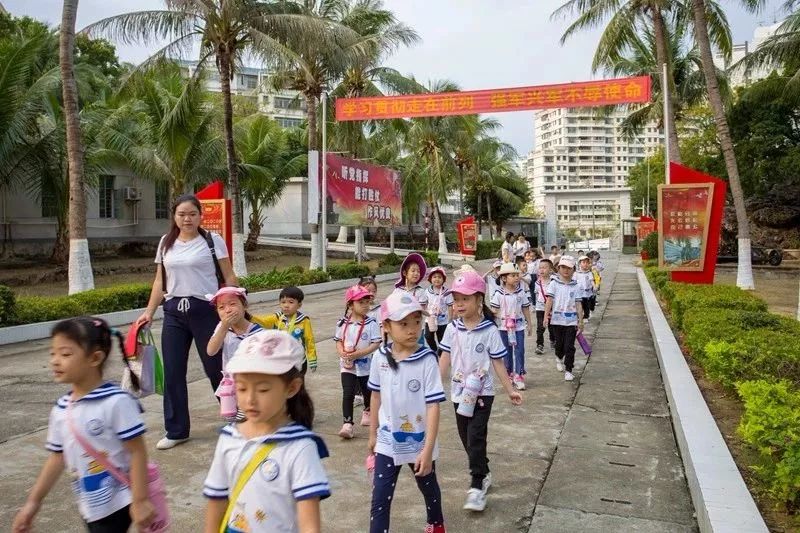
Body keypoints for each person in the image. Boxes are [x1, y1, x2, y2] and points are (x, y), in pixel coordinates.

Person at [13, 317, 155, 532]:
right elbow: (57, 457)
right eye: (53, 353)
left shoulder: (116, 402)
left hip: (120, 503)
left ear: (95, 358)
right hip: (89, 505)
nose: (55, 361)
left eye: (66, 354)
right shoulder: (61, 409)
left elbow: (137, 452)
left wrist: (140, 500)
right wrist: (33, 503)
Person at [135, 193, 237, 451]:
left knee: (216, 367)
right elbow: (160, 281)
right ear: (174, 216)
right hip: (173, 313)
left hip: (206, 309)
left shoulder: (212, 241)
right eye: (181, 214)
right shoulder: (165, 243)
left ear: (201, 216)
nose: (187, 219)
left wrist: (233, 308)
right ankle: (177, 430)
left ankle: (236, 419)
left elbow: (228, 274)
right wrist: (149, 311)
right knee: (173, 372)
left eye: (192, 214)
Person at [203, 330, 330, 533]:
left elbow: (309, 524)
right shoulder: (229, 437)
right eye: (242, 388)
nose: (250, 399)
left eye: (263, 390)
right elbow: (216, 500)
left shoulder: (300, 446)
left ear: (292, 388)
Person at [438, 271, 522, 512]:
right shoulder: (452, 329)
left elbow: (498, 363)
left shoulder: (489, 331)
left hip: (482, 393)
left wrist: (510, 389)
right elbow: (444, 358)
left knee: (476, 436)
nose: (459, 304)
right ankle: (483, 470)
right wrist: (431, 387)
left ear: (479, 300)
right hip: (458, 392)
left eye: (465, 299)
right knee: (466, 438)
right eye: (456, 299)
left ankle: (476, 485)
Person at [367, 291, 446, 533]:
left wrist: (428, 448)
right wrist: (372, 435)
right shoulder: (379, 357)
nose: (413, 329)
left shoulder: (427, 359)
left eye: (417, 322)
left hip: (418, 442)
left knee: (428, 486)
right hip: (387, 441)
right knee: (379, 500)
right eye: (404, 323)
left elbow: (433, 406)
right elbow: (375, 396)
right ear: (387, 326)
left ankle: (436, 523)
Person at [206, 286, 263, 423]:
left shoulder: (257, 332)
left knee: (250, 414)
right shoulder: (222, 328)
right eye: (221, 307)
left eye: (232, 304)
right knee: (229, 414)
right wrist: (224, 327)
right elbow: (211, 350)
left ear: (245, 306)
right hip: (230, 381)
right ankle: (236, 431)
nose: (228, 310)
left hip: (251, 382)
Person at [335, 285, 382, 439]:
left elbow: (375, 344)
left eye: (367, 302)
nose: (365, 306)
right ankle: (347, 424)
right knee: (348, 393)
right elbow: (338, 341)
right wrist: (342, 352)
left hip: (366, 366)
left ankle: (368, 410)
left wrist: (359, 354)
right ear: (350, 304)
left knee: (368, 392)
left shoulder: (371, 323)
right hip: (347, 365)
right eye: (361, 302)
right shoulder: (342, 323)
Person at [253, 286, 317, 374]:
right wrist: (249, 317)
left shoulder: (304, 320)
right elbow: (263, 321)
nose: (286, 305)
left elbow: (309, 340)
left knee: (298, 383)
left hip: (298, 361)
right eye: (283, 302)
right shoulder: (277, 317)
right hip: (280, 360)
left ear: (299, 305)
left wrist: (312, 358)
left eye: (291, 302)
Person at [490, 263, 533, 390]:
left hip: (518, 326)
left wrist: (529, 323)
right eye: (512, 275)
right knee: (506, 352)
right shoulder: (498, 294)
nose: (516, 278)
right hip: (504, 328)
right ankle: (509, 374)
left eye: (517, 275)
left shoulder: (521, 292)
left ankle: (519, 375)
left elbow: (525, 308)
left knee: (520, 350)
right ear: (503, 278)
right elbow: (494, 311)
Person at [544, 256, 584, 382]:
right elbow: (549, 301)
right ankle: (558, 356)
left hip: (571, 322)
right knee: (560, 345)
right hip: (556, 321)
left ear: (573, 270)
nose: (566, 270)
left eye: (569, 268)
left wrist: (581, 321)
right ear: (558, 268)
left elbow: (578, 304)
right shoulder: (553, 284)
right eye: (563, 267)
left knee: (569, 347)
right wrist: (546, 316)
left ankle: (569, 370)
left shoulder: (576, 286)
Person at [424, 266, 453, 353]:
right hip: (430, 320)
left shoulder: (447, 292)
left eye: (439, 277)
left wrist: (450, 319)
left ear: (443, 279)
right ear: (430, 279)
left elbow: (450, 306)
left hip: (443, 320)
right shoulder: (427, 291)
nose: (437, 279)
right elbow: (424, 304)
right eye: (434, 277)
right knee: (428, 336)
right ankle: (434, 350)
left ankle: (441, 354)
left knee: (442, 339)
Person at [534, 259, 555, 354]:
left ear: (550, 270)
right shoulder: (537, 283)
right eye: (540, 268)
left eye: (544, 268)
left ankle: (553, 340)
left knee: (552, 326)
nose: (542, 270)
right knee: (540, 327)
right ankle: (540, 344)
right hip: (540, 307)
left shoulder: (554, 282)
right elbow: (537, 294)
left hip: (552, 307)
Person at [575, 256, 595, 322]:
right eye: (583, 262)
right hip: (578, 293)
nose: (585, 264)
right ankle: (579, 316)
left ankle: (586, 316)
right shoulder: (576, 273)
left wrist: (594, 286)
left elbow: (592, 281)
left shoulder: (589, 273)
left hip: (587, 293)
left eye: (587, 262)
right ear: (579, 264)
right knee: (579, 305)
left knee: (586, 305)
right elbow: (573, 282)